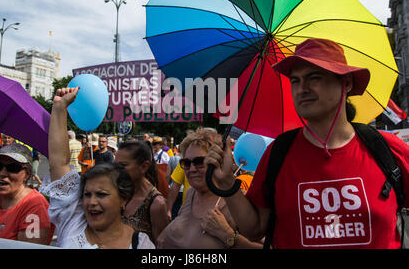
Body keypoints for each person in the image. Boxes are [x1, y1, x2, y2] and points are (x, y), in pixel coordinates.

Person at [205, 38, 409, 249]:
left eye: (314, 77)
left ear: (346, 83)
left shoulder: (388, 150)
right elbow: (255, 229)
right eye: (295, 80)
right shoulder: (278, 153)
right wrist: (228, 183)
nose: (302, 88)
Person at [40, 87, 155, 249]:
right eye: (87, 194)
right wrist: (59, 107)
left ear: (123, 199)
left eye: (101, 194)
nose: (92, 202)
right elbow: (59, 163)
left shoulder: (141, 244)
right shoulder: (73, 221)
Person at [157, 128, 239, 249]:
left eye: (199, 161)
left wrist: (228, 235)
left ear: (218, 161)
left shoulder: (235, 201)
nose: (192, 169)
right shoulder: (191, 193)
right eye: (187, 163)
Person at [115, 141, 169, 245]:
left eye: (123, 165)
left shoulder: (156, 204)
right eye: (115, 165)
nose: (116, 170)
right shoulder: (119, 192)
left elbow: (161, 246)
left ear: (144, 167)